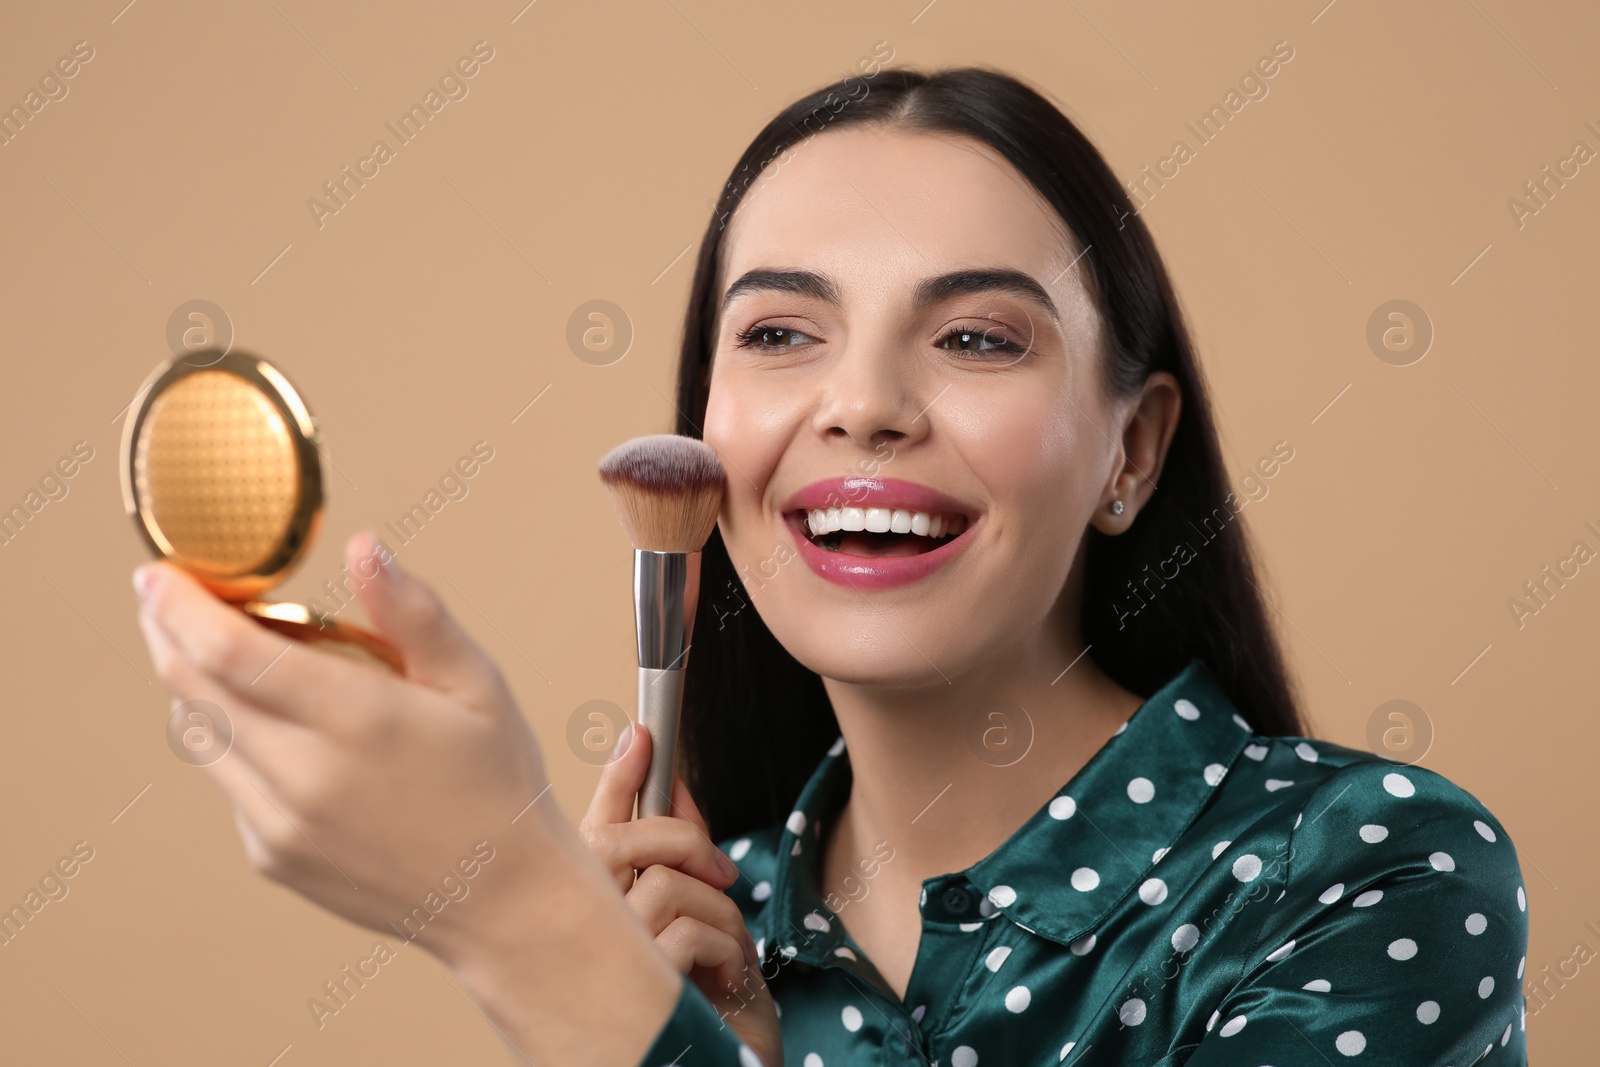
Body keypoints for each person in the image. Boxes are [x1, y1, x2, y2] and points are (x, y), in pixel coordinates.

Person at [132, 67, 1528, 1066]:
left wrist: (521, 928)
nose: (863, 404)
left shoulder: (1359, 872)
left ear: (1132, 454)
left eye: (978, 337)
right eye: (781, 335)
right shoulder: (693, 937)